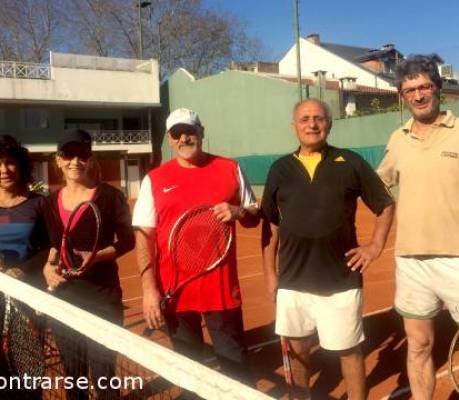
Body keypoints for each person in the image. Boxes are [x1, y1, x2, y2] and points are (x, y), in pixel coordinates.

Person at [377, 55, 459, 400]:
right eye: (409, 90)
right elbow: (376, 186)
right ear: (403, 95)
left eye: (424, 87)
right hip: (411, 263)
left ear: (438, 88)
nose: (417, 95)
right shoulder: (398, 138)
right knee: (418, 345)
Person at [261, 98, 395, 400]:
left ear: (329, 124)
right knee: (298, 353)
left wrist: (375, 246)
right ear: (294, 126)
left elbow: (385, 204)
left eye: (319, 118)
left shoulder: (350, 162)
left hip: (341, 282)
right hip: (293, 283)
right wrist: (271, 275)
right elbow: (269, 227)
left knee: (349, 352)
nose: (312, 124)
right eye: (305, 119)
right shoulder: (280, 168)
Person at [133, 108, 259, 387]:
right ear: (169, 139)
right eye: (177, 134)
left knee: (236, 372)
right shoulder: (154, 179)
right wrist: (148, 289)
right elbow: (144, 236)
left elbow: (253, 214)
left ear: (202, 132)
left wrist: (238, 211)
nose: (184, 138)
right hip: (175, 292)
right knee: (189, 374)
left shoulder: (230, 168)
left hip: (222, 291)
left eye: (189, 131)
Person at [42, 129, 135, 400]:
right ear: (58, 159)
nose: (75, 161)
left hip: (102, 299)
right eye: (68, 154)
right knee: (74, 375)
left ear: (90, 158)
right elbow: (54, 243)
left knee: (104, 374)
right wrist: (49, 267)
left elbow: (127, 241)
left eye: (81, 154)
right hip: (64, 300)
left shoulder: (110, 196)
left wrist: (96, 257)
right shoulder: (50, 202)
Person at [0, 135, 48, 399]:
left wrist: (22, 270)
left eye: (9, 162)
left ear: (20, 165)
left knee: (27, 375)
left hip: (27, 298)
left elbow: (49, 248)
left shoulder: (37, 203)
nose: (4, 170)